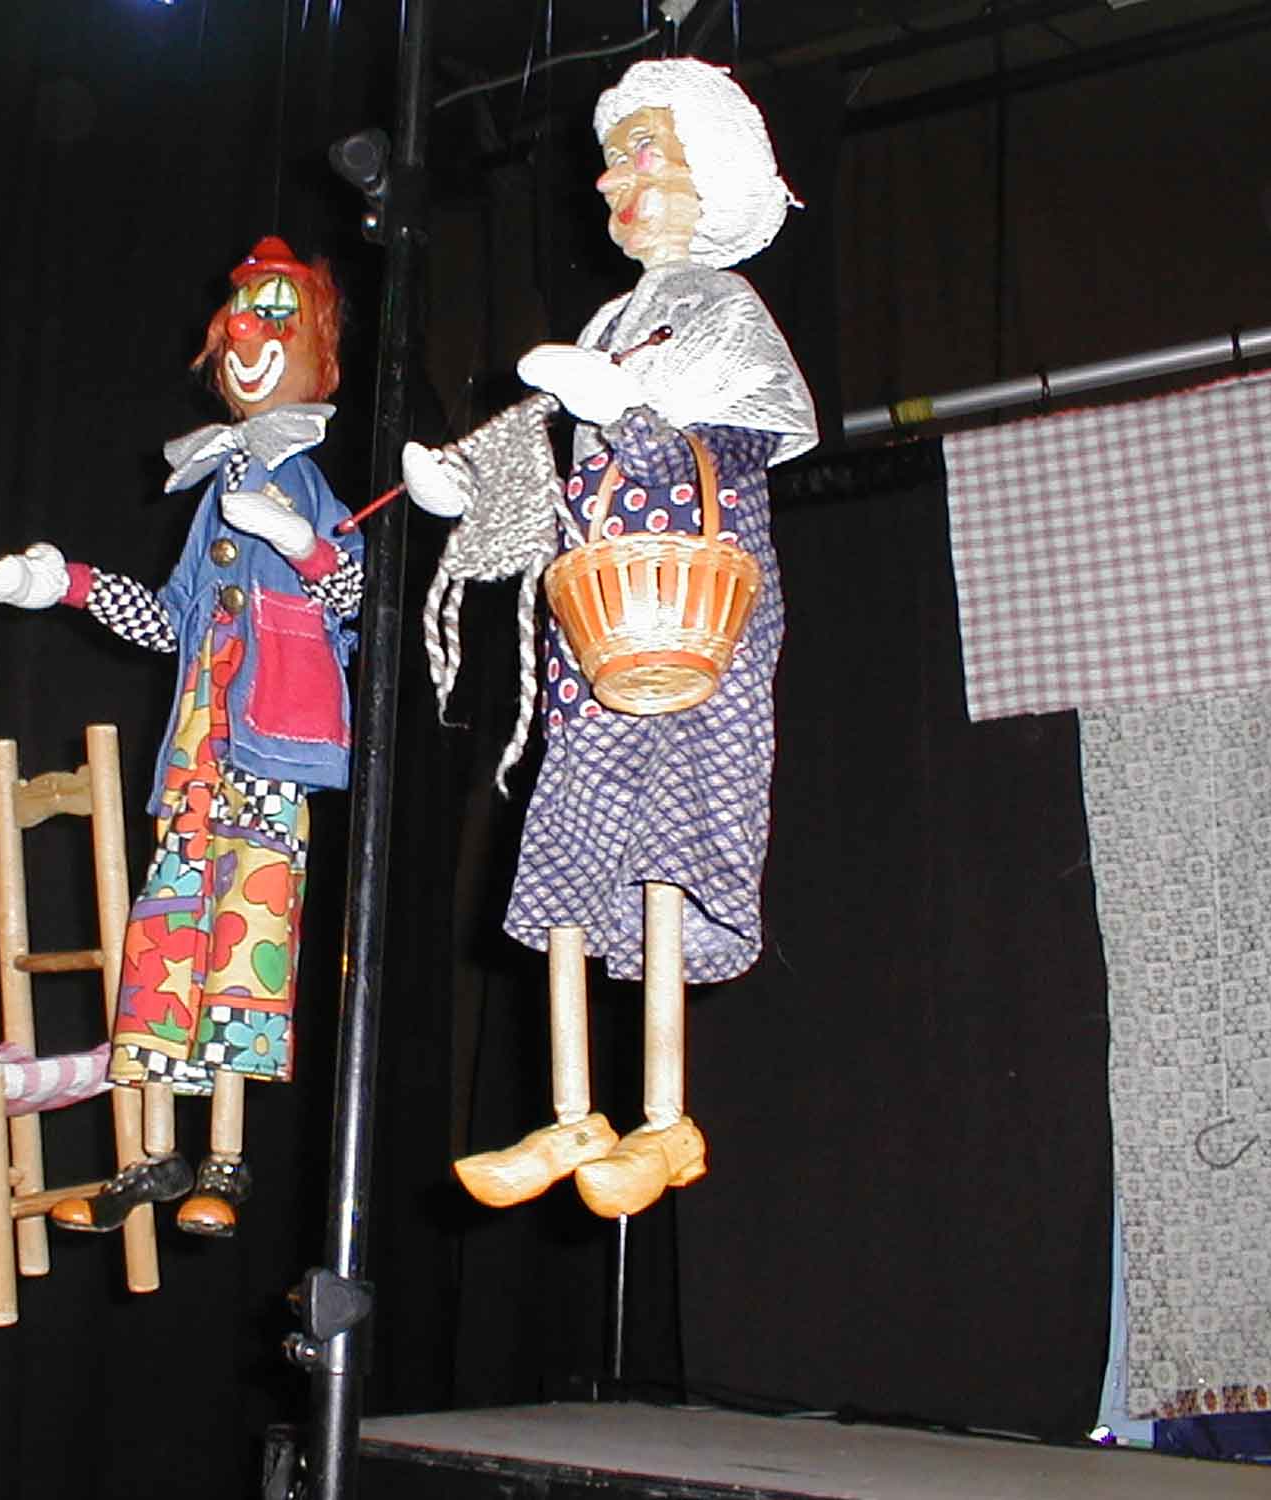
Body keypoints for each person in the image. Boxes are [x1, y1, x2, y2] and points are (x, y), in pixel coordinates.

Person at [404, 60, 816, 1218]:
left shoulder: (724, 309)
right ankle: (570, 1111)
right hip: (600, 625)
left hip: (693, 619)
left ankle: (663, 1118)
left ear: (708, 175)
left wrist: (622, 411)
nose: (611, 180)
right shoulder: (609, 321)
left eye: (642, 154)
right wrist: (474, 491)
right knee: (571, 829)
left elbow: (725, 452)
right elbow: (559, 465)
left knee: (669, 843)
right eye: (612, 157)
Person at [0, 236, 363, 1236]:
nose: (251, 338)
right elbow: (168, 621)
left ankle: (224, 1160)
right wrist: (68, 585)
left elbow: (355, 595)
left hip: (267, 752)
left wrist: (301, 542)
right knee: (161, 950)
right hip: (194, 759)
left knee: (245, 947)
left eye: (277, 318)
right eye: (240, 319)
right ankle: (151, 1158)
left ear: (315, 350)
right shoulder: (213, 493)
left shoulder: (302, 484)